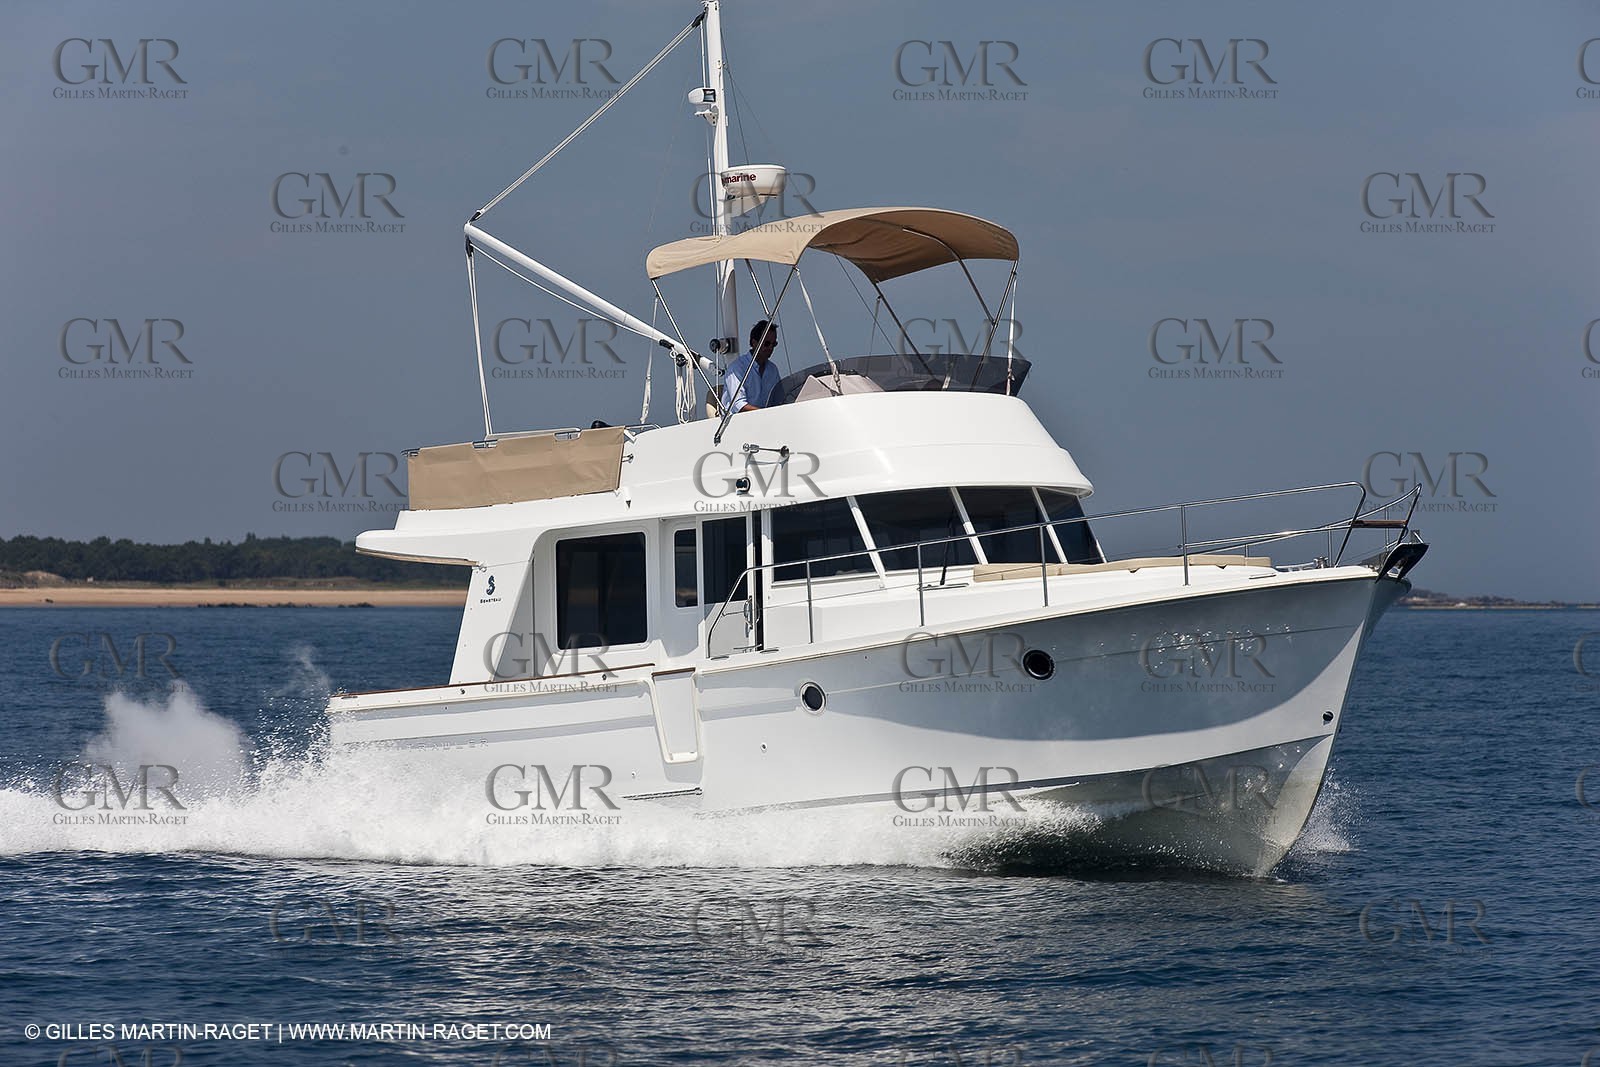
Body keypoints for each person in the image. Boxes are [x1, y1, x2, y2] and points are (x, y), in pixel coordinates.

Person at [720, 320, 785, 413]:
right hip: (737, 424)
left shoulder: (772, 369)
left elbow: (780, 400)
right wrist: (766, 414)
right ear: (754, 342)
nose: (770, 348)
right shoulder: (737, 368)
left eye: (774, 344)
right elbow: (739, 405)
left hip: (765, 422)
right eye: (766, 343)